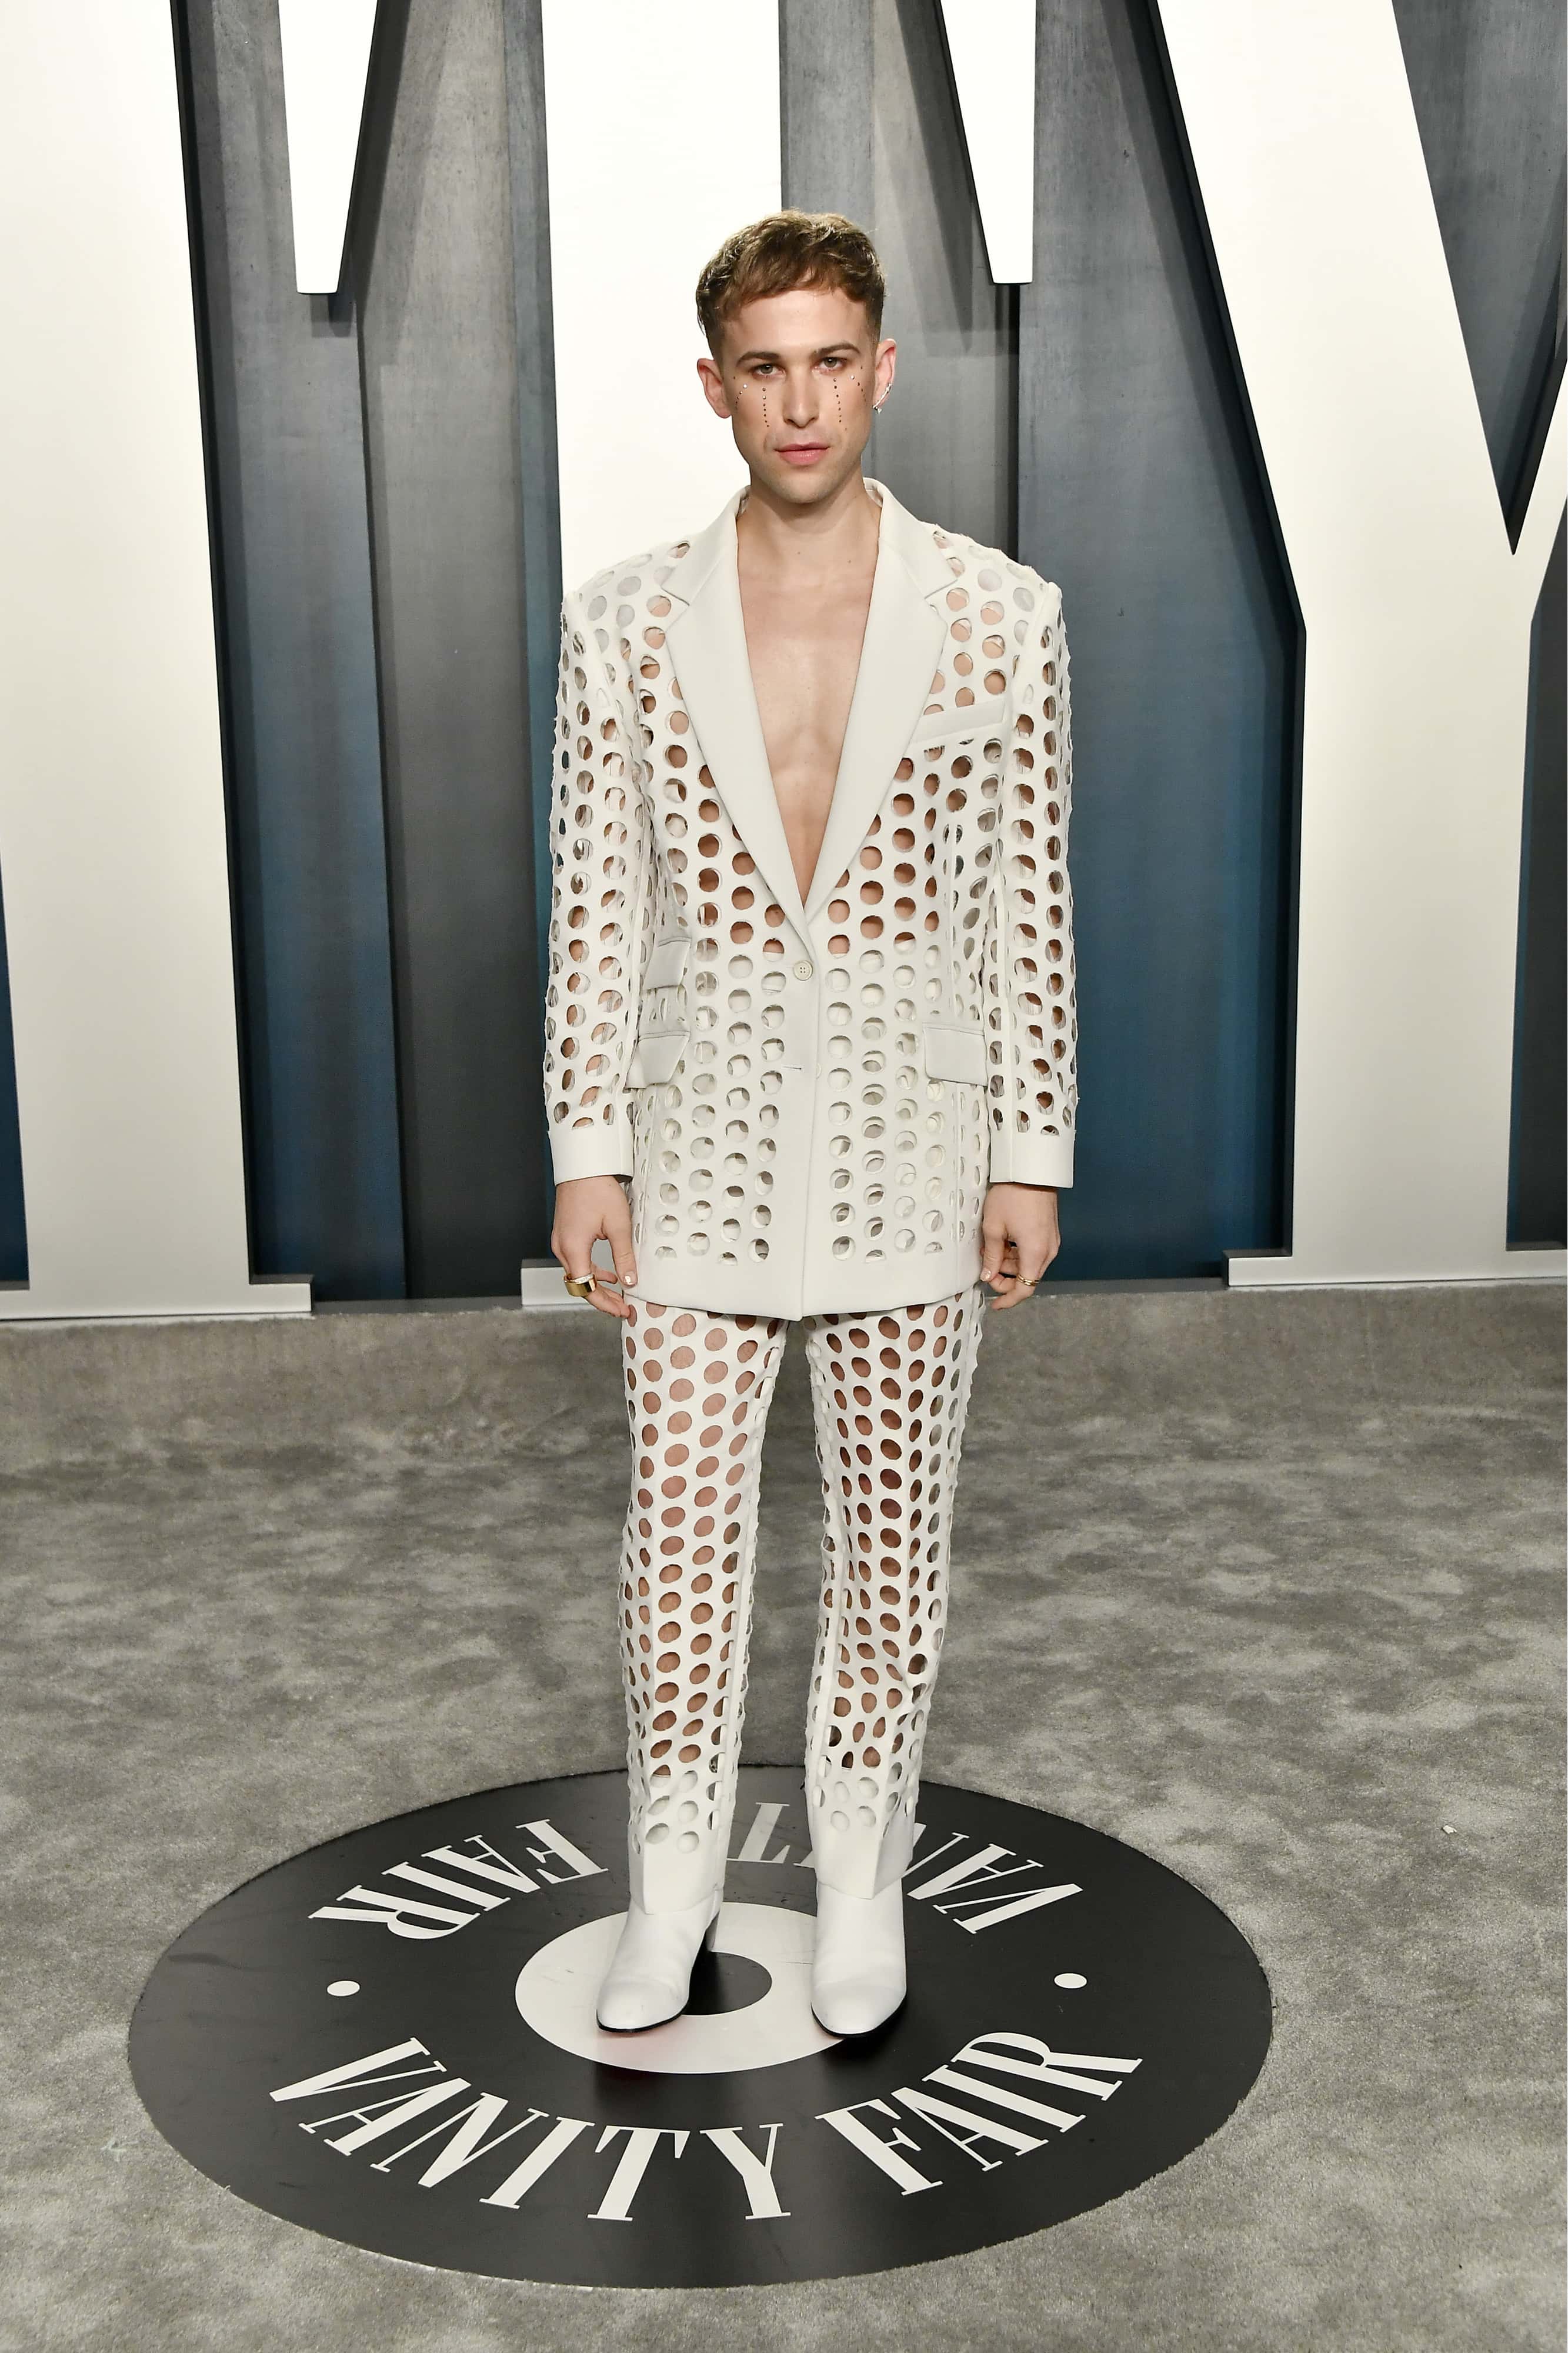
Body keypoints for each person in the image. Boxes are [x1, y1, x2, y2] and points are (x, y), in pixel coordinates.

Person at [543, 211, 1077, 2037]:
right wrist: (585, 1145)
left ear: (881, 370)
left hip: (909, 1141)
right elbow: (598, 901)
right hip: (691, 1139)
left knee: (891, 1537)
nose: (799, 402)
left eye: (829, 361)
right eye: (763, 367)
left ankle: (860, 1879)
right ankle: (670, 1885)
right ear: (714, 385)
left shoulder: (1000, 612)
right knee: (677, 1541)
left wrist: (1026, 1150)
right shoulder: (623, 618)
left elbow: (1023, 901)